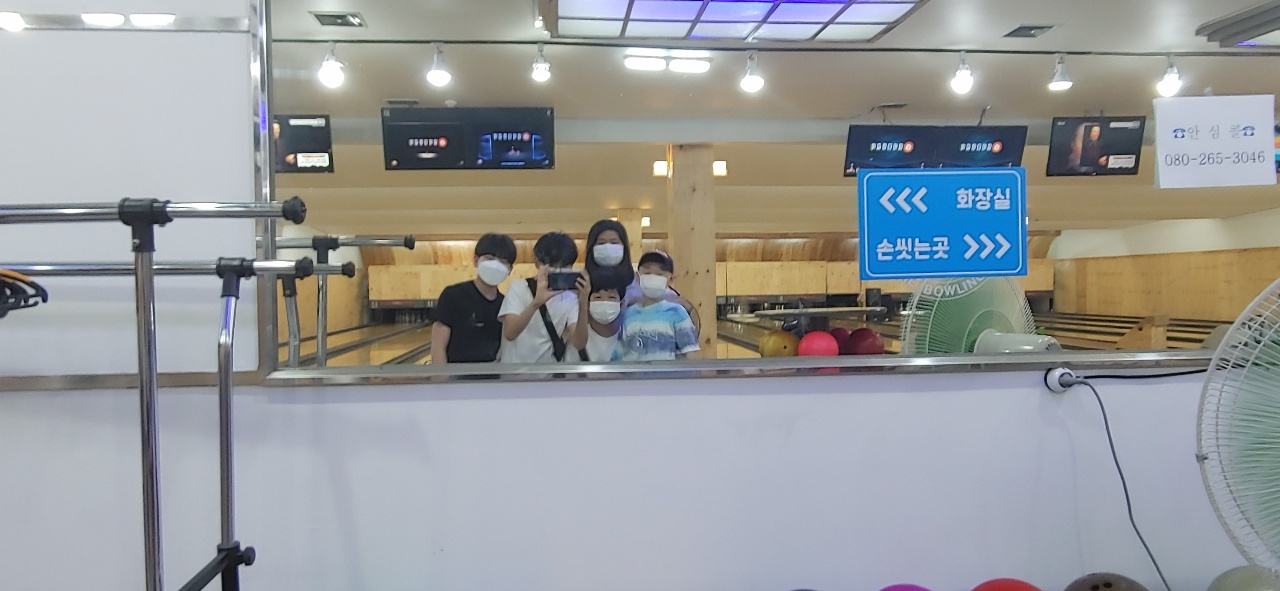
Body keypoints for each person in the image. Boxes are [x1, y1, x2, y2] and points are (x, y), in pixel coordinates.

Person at [583, 218, 702, 338]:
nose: (608, 247)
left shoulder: (641, 281)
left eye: (614, 242)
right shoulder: (581, 283)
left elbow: (685, 308)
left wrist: (644, 303)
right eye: (601, 243)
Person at [499, 232, 589, 363]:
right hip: (513, 370)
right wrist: (536, 303)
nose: (557, 271)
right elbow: (510, 333)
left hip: (548, 371)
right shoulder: (519, 287)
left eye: (564, 266)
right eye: (552, 266)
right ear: (537, 262)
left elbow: (579, 343)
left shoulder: (570, 297)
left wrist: (583, 303)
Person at [430, 233, 516, 364]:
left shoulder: (506, 305)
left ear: (510, 269)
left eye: (503, 262)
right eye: (490, 258)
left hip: (491, 375)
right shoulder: (453, 296)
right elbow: (438, 348)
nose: (496, 266)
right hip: (455, 375)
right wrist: (441, 377)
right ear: (476, 260)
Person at [617, 250, 700, 362]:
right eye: (647, 273)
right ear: (638, 276)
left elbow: (690, 354)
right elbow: (620, 352)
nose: (652, 277)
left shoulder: (677, 312)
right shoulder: (628, 314)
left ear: (670, 280)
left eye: (659, 274)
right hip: (634, 373)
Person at [574, 268, 628, 363]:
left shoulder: (629, 336)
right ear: (588, 303)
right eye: (598, 297)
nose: (604, 302)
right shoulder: (579, 338)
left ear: (622, 303)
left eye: (611, 297)